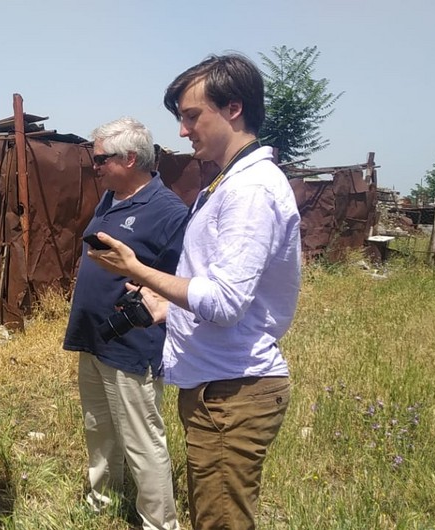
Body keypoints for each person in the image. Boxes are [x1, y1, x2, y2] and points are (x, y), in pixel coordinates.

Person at [88, 54, 301, 530]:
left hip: (234, 390)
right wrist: (168, 306)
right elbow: (215, 285)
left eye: (190, 116)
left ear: (233, 109)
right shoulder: (224, 184)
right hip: (217, 386)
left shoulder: (250, 190)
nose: (183, 131)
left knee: (220, 520)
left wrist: (139, 270)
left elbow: (225, 302)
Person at [64, 117, 187, 530]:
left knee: (141, 438)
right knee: (98, 426)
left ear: (130, 158)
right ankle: (103, 498)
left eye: (99, 159)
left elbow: (184, 284)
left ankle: (158, 522)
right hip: (94, 336)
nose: (93, 166)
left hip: (132, 342)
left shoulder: (169, 213)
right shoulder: (112, 199)